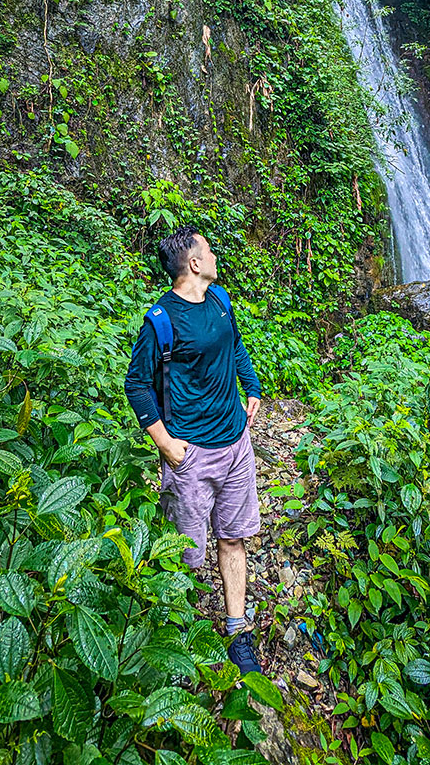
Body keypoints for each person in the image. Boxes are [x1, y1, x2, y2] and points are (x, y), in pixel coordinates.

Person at [124, 226, 264, 674]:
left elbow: (235, 345)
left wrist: (252, 385)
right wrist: (166, 445)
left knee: (233, 537)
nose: (214, 253)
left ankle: (236, 629)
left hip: (236, 443)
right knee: (183, 552)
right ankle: (174, 645)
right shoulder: (161, 322)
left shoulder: (220, 301)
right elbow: (137, 384)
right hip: (193, 455)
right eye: (209, 248)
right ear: (194, 263)